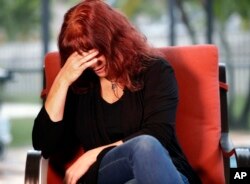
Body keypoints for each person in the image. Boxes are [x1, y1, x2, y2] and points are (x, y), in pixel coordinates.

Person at [32, 0, 201, 184]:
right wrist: (62, 80)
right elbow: (45, 145)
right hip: (107, 176)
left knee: (145, 148)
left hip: (166, 173)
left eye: (95, 51)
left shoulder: (156, 70)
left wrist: (93, 154)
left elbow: (158, 134)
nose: (93, 63)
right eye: (82, 55)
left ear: (112, 39)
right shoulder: (80, 84)